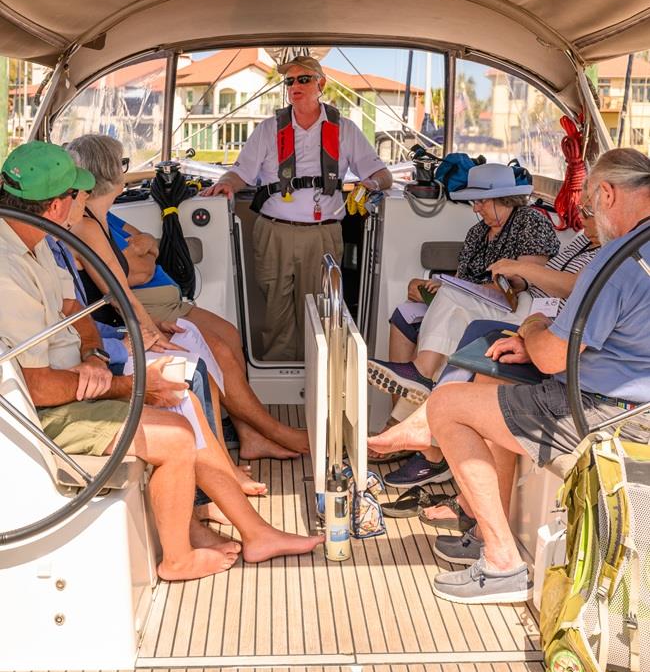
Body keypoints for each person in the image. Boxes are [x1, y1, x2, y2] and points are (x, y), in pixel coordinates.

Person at [0, 141, 324, 581]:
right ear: (57, 206)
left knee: (181, 404)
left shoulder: (35, 242)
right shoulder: (8, 270)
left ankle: (254, 532)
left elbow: (74, 311)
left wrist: (94, 354)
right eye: (76, 194)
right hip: (33, 417)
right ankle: (178, 559)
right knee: (175, 433)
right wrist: (130, 386)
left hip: (73, 381)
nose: (82, 201)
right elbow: (34, 387)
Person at [369, 148, 650, 605]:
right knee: (496, 381)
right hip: (635, 404)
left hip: (605, 415)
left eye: (590, 206)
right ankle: (483, 530)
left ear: (608, 194)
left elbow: (552, 357)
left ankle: (502, 563)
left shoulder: (616, 261)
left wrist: (532, 330)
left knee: (448, 406)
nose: (590, 216)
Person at [66, 134, 309, 461]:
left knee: (224, 340)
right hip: (115, 327)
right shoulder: (85, 225)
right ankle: (269, 435)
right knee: (211, 354)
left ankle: (249, 438)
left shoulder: (100, 220)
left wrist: (146, 255)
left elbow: (144, 254)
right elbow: (122, 288)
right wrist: (150, 333)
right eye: (122, 164)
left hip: (135, 315)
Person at [367, 162, 560, 469]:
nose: (476, 208)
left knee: (451, 304)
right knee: (408, 311)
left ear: (503, 198)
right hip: (477, 303)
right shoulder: (477, 233)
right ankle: (411, 424)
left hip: (520, 307)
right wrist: (437, 287)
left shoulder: (530, 222)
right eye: (474, 202)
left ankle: (416, 387)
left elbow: (525, 279)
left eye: (481, 201)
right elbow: (462, 277)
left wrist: (461, 289)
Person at [203, 54, 392, 361]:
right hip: (273, 232)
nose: (295, 86)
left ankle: (317, 371)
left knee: (320, 310)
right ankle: (278, 374)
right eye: (289, 81)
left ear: (321, 84)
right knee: (275, 310)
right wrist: (226, 184)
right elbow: (240, 172)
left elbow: (383, 175)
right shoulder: (268, 129)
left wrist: (370, 184)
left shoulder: (345, 130)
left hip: (323, 234)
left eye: (303, 79)